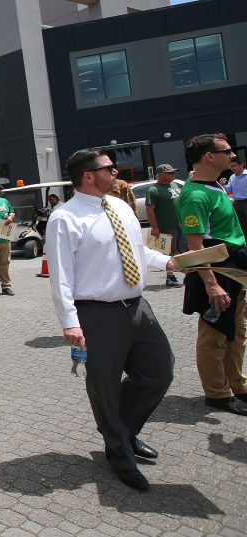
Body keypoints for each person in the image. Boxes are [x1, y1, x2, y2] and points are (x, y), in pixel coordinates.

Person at [46, 148, 177, 492]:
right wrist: (70, 322)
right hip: (96, 314)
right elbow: (60, 276)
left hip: (137, 307)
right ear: (88, 175)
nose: (116, 171)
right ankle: (119, 453)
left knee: (159, 371)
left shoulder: (119, 206)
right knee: (104, 386)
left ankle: (123, 431)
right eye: (109, 167)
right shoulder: (64, 218)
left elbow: (137, 250)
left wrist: (168, 263)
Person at [177, 134, 247, 416]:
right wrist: (212, 285)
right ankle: (217, 393)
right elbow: (195, 246)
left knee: (236, 332)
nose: (232, 156)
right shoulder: (195, 194)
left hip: (235, 268)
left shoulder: (216, 185)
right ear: (209, 156)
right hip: (217, 270)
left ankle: (237, 384)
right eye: (227, 151)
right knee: (215, 334)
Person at [145, 164, 186, 288]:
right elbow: (150, 210)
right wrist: (154, 227)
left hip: (180, 225)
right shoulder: (154, 190)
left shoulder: (175, 185)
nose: (173, 175)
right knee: (168, 252)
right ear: (160, 175)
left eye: (173, 172)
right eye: (170, 173)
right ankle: (170, 276)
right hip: (166, 226)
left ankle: (188, 275)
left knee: (183, 250)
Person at [224, 155, 247, 235]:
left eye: (234, 166)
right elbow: (228, 190)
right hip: (237, 203)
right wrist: (222, 186)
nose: (232, 168)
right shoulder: (232, 177)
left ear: (242, 165)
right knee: (241, 226)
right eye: (231, 167)